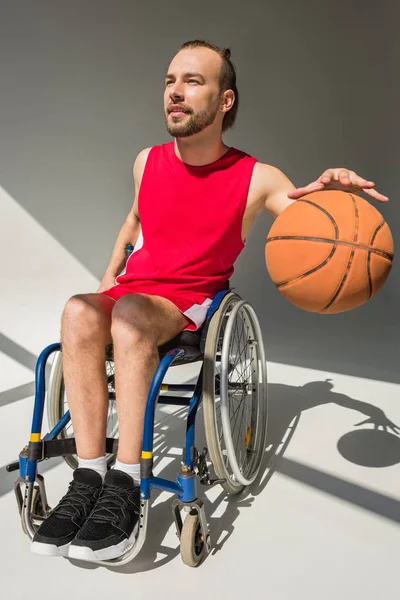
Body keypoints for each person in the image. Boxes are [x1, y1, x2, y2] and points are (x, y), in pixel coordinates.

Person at [31, 39, 388, 562]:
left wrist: (330, 195)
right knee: (78, 310)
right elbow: (135, 220)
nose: (175, 92)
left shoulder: (257, 178)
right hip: (135, 293)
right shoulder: (146, 161)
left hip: (190, 302)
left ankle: (127, 485)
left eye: (192, 81)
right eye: (170, 81)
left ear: (225, 101)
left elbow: (311, 231)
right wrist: (111, 271)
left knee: (128, 317)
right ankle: (90, 476)